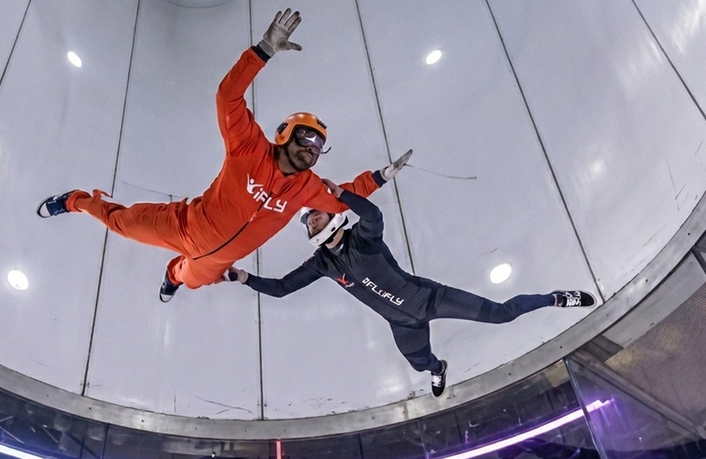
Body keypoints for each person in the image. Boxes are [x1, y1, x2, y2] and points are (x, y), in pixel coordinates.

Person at [36, 9, 403, 303]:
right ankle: (76, 200)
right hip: (184, 225)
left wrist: (379, 177)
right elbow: (228, 97)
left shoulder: (308, 190)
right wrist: (263, 50)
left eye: (320, 144)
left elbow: (342, 201)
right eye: (307, 136)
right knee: (120, 224)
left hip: (217, 261)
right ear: (285, 134)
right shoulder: (249, 147)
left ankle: (171, 275)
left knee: (190, 280)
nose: (312, 147)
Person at [225, 177, 596, 397]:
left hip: (433, 300)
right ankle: (439, 369)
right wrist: (244, 278)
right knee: (420, 364)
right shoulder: (322, 263)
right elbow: (280, 289)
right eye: (307, 221)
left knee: (501, 315)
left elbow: (374, 215)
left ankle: (555, 298)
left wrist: (342, 194)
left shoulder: (362, 238)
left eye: (316, 214)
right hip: (403, 323)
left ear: (333, 215)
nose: (311, 221)